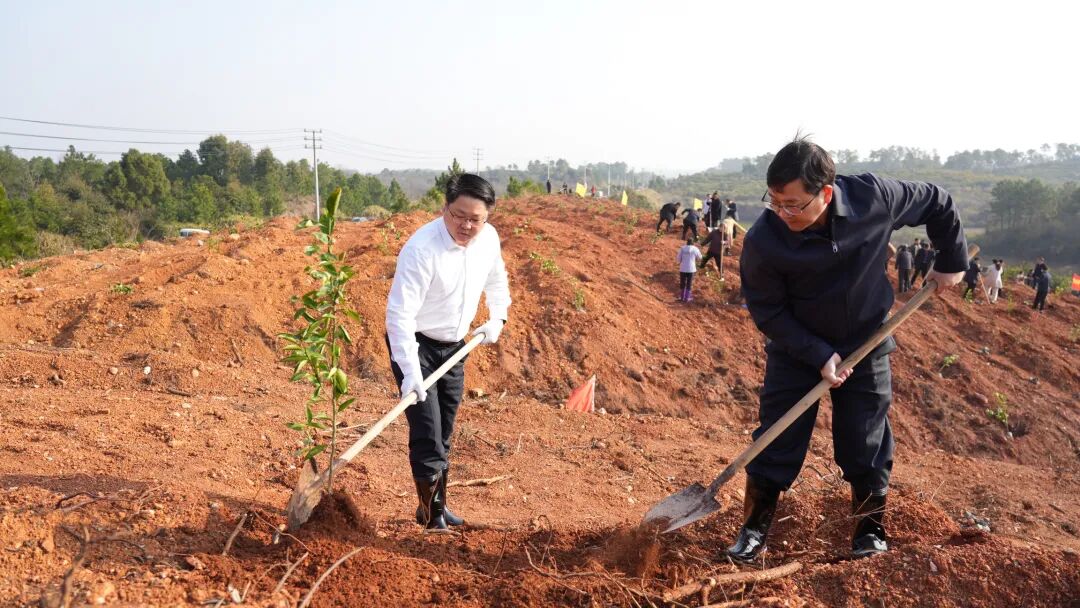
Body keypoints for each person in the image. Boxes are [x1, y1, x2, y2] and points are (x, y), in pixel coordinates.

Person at [734, 137, 967, 563]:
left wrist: (952, 259)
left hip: (866, 341)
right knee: (777, 436)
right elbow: (768, 310)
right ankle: (753, 531)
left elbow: (938, 201)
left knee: (865, 440)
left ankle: (869, 531)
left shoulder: (874, 198)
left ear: (826, 192)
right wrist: (817, 354)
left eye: (792, 204)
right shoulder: (764, 240)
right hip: (797, 347)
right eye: (775, 202)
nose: (782, 213)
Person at [385, 173, 512, 530]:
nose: (466, 226)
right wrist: (410, 371)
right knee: (427, 431)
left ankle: (436, 505)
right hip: (416, 345)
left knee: (444, 430)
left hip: (456, 347)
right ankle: (432, 517)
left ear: (487, 217)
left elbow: (497, 279)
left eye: (476, 219)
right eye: (459, 216)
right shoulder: (422, 249)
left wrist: (498, 317)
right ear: (445, 208)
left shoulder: (488, 240)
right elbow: (399, 315)